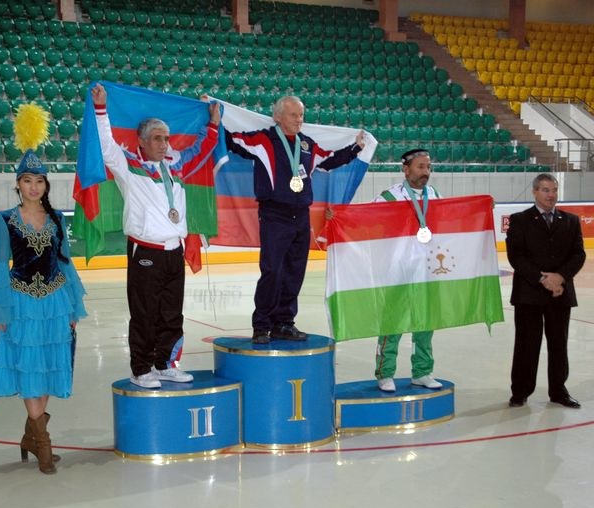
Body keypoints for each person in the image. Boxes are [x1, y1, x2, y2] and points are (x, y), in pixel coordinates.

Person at [90, 83, 220, 389]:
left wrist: (212, 124)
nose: (164, 144)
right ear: (142, 141)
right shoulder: (128, 165)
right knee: (145, 314)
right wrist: (100, 110)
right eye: (157, 139)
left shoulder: (176, 165)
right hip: (145, 251)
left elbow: (201, 149)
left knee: (171, 313)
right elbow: (106, 145)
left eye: (166, 138)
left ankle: (165, 364)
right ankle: (141, 368)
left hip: (174, 250)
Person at [0, 103, 87, 474]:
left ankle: (32, 435)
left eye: (40, 181)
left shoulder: (57, 219)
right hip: (21, 303)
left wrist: (73, 307)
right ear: (17, 184)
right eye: (27, 181)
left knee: (46, 367)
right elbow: (0, 268)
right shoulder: (6, 220)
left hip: (55, 301)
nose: (34, 187)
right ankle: (42, 444)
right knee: (30, 369)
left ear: (46, 185)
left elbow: (64, 261)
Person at [222, 95, 365, 344]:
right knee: (272, 271)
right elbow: (232, 142)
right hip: (274, 215)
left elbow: (330, 160)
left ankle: (284, 323)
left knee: (294, 272)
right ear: (278, 116)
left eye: (301, 115)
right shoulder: (263, 140)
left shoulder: (307, 145)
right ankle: (262, 325)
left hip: (301, 216)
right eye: (293, 115)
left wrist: (356, 148)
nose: (299, 119)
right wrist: (214, 121)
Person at [506, 173, 585, 408]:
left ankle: (558, 391)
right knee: (526, 345)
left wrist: (560, 277)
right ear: (535, 192)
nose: (551, 195)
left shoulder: (570, 220)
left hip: (560, 293)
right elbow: (516, 256)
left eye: (554, 190)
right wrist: (543, 279)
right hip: (529, 293)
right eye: (545, 190)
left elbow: (579, 254)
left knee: (558, 345)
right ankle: (520, 391)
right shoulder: (519, 220)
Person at [373, 148, 443, 392]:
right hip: (397, 271)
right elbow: (364, 220)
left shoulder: (434, 194)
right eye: (421, 167)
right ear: (406, 169)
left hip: (425, 270)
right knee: (392, 324)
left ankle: (422, 371)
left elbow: (446, 221)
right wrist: (338, 216)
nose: (426, 172)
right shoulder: (389, 197)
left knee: (425, 324)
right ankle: (385, 372)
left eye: (428, 167)